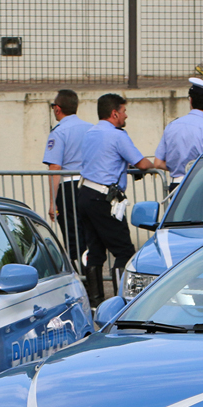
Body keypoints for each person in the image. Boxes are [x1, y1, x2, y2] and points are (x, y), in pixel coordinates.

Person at [78, 93, 154, 307]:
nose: (125, 115)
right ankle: (125, 303)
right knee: (124, 252)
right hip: (104, 198)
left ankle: (95, 303)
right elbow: (142, 163)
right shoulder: (118, 135)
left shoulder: (90, 133)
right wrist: (156, 165)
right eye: (123, 111)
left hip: (85, 194)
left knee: (95, 251)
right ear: (114, 113)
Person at [42, 89, 92, 269]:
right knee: (89, 234)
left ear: (57, 109)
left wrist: (53, 202)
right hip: (89, 185)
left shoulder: (59, 132)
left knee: (73, 236)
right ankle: (93, 276)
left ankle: (81, 277)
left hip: (69, 188)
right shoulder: (90, 128)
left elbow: (55, 167)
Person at [154, 78, 203, 189]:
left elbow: (158, 163)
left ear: (190, 100)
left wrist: (176, 167)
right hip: (201, 185)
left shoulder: (172, 126)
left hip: (176, 186)